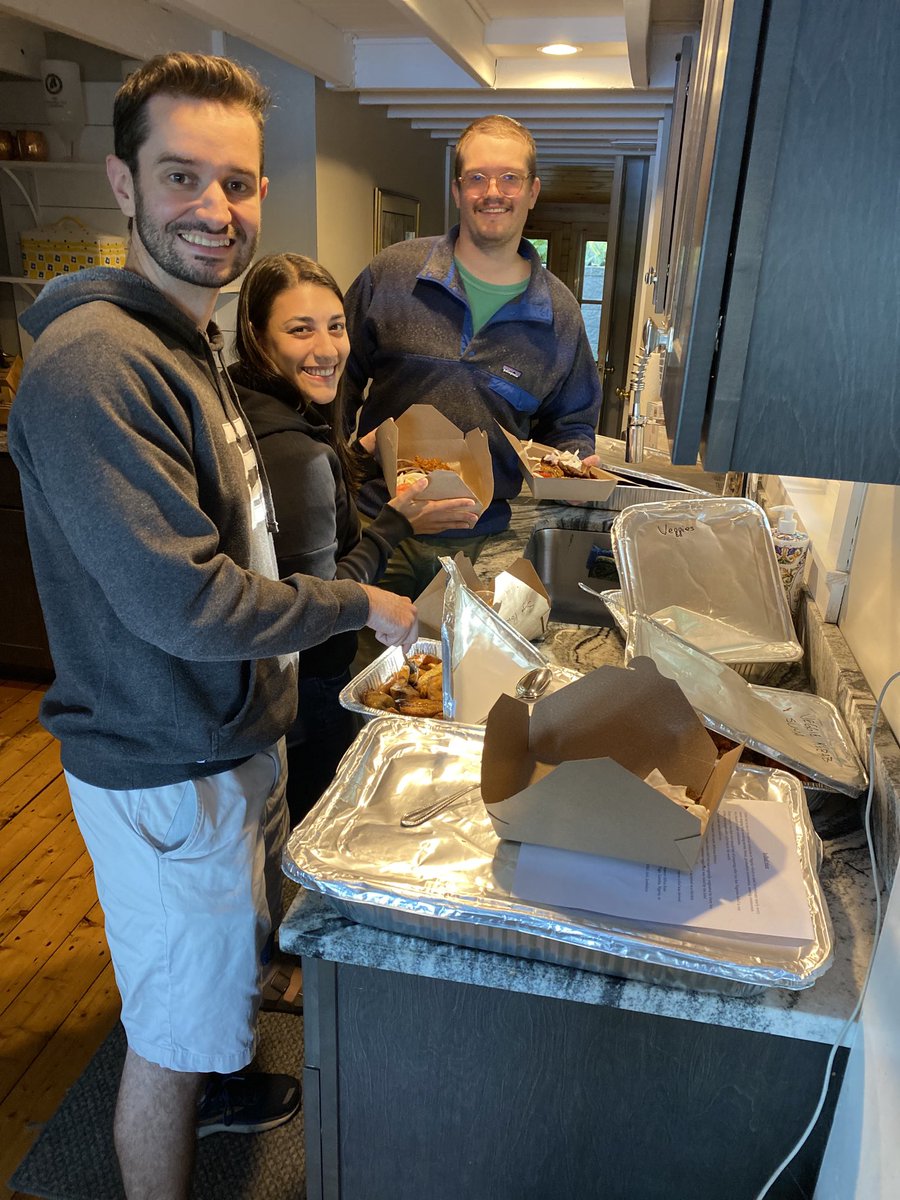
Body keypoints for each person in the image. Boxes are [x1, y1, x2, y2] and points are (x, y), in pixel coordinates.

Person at [7, 53, 416, 1200]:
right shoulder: (95, 368)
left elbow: (250, 540)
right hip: (161, 758)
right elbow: (184, 601)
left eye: (236, 183)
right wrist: (367, 602)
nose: (214, 208)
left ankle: (224, 1081)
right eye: (181, 175)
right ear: (124, 183)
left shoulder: (187, 340)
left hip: (228, 736)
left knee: (219, 976)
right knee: (168, 1036)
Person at [227, 253, 478, 823]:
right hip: (307, 692)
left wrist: (350, 459)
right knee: (312, 826)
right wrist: (396, 522)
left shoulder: (249, 408)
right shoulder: (297, 455)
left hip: (256, 688)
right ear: (257, 336)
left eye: (335, 326)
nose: (327, 348)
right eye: (299, 329)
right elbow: (322, 604)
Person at [342, 113, 604, 609]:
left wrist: (573, 467)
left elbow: (569, 422)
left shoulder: (560, 313)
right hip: (377, 529)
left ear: (532, 191)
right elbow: (336, 381)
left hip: (484, 543)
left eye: (510, 178)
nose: (493, 192)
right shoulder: (392, 275)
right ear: (458, 189)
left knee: (470, 678)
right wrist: (340, 466)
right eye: (477, 178)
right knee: (369, 678)